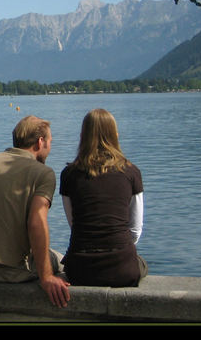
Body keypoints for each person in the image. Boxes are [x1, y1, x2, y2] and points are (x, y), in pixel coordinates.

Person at [0, 115, 71, 308]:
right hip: (15, 272)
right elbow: (36, 223)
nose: (50, 147)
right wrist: (46, 278)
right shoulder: (43, 174)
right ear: (40, 142)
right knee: (63, 261)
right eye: (50, 142)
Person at [59, 109, 148, 287]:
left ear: (83, 136)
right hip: (123, 269)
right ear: (115, 135)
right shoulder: (131, 172)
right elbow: (136, 229)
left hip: (79, 270)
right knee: (142, 264)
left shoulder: (69, 174)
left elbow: (75, 224)